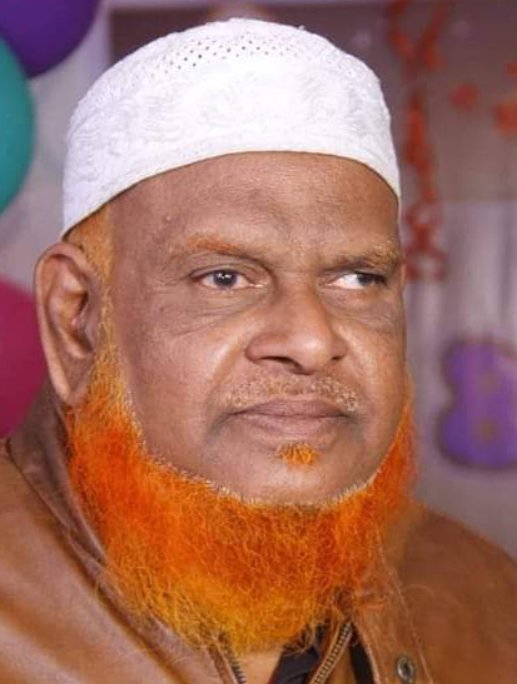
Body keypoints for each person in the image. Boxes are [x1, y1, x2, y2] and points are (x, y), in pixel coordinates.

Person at [1, 18, 516, 684]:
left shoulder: (486, 600)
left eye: (358, 279)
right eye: (224, 278)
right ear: (77, 317)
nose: (311, 341)